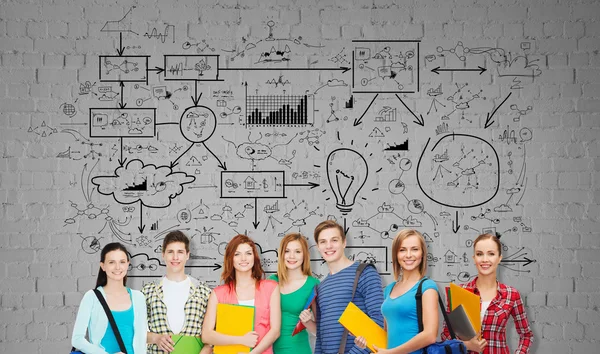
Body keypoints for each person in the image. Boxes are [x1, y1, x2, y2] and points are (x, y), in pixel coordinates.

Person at [441, 233, 533, 353]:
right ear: (474, 258)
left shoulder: (511, 295)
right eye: (479, 254)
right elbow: (446, 336)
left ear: (499, 258)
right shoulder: (459, 292)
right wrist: (467, 345)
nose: (485, 259)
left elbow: (526, 335)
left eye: (491, 254)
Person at [355, 229, 438, 354]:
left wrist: (391, 352)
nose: (408, 255)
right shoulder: (389, 289)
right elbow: (387, 335)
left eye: (414, 249)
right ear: (396, 255)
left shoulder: (427, 287)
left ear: (422, 254)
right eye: (402, 250)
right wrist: (365, 340)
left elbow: (430, 335)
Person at [313, 220, 384, 354]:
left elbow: (378, 320)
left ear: (344, 243)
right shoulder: (321, 287)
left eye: (334, 240)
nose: (328, 246)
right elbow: (321, 335)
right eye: (323, 242)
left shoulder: (364, 272)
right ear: (318, 247)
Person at [202, 234, 281, 354]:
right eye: (237, 254)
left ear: (254, 257)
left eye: (248, 253)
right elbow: (206, 335)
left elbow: (275, 331)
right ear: (231, 259)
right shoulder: (218, 294)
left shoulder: (271, 288)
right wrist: (241, 340)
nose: (243, 258)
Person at [142, 230, 212, 354]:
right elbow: (135, 332)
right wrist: (155, 338)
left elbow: (212, 334)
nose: (175, 257)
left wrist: (207, 349)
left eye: (180, 252)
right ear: (163, 254)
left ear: (187, 255)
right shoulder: (148, 292)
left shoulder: (204, 292)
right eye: (170, 252)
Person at [72, 242, 147, 354]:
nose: (117, 267)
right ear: (103, 266)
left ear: (128, 264)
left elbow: (141, 338)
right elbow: (77, 340)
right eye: (111, 262)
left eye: (122, 262)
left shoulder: (139, 298)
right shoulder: (92, 297)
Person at [268, 233, 320, 354]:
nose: (292, 256)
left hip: (298, 349)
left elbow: (319, 331)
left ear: (304, 255)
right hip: (269, 349)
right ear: (282, 254)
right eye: (287, 251)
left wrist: (307, 322)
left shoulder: (313, 285)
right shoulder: (271, 281)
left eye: (297, 251)